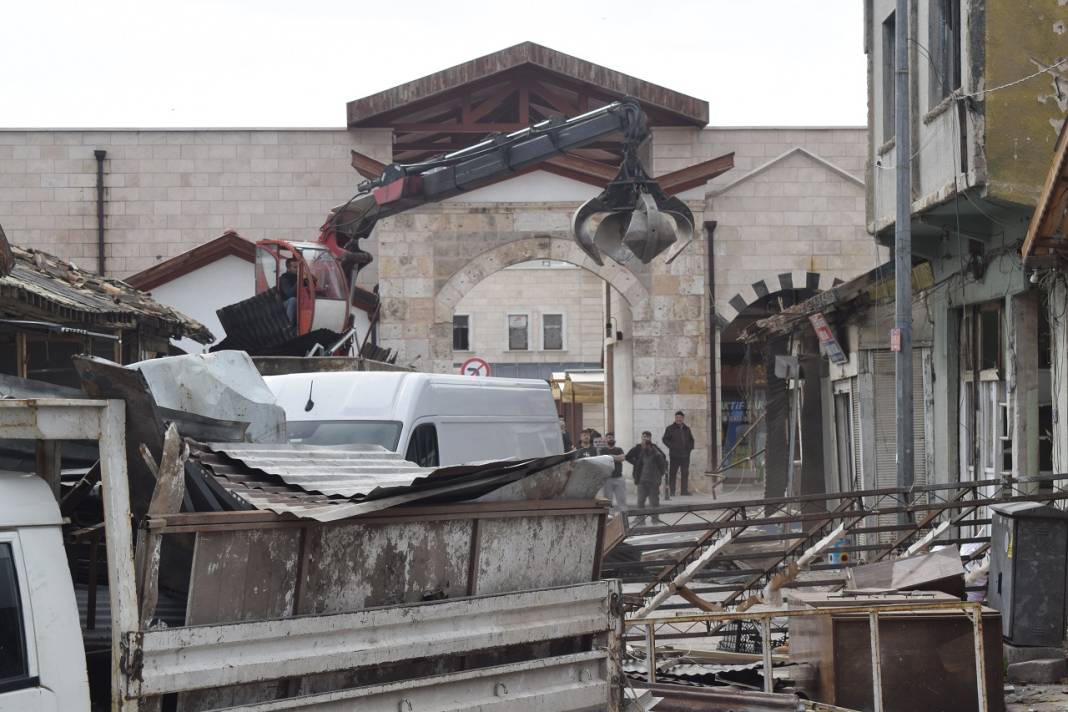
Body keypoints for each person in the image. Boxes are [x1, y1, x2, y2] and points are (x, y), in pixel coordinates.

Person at [625, 431, 667, 526]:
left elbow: (662, 462)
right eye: (644, 437)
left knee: (654, 501)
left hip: (653, 481)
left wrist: (658, 476)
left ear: (650, 439)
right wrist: (635, 463)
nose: (645, 439)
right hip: (642, 480)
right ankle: (640, 520)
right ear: (641, 438)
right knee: (640, 501)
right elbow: (628, 457)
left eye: (647, 437)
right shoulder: (638, 449)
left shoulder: (656, 450)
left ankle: (655, 519)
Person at [662, 410, 695, 498]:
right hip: (674, 455)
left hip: (685, 455)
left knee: (685, 473)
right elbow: (665, 439)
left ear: (683, 418)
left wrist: (689, 449)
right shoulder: (670, 428)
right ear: (675, 418)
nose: (678, 419)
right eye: (677, 417)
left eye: (680, 417)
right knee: (673, 473)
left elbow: (691, 440)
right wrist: (672, 446)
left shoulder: (687, 429)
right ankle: (672, 491)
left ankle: (684, 491)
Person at [600, 432, 627, 513]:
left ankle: (623, 518)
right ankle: (608, 518)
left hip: (619, 478)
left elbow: (622, 458)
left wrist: (610, 456)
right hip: (607, 479)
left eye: (612, 437)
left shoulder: (619, 449)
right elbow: (603, 460)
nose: (611, 439)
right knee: (608, 502)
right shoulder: (603, 450)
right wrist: (616, 457)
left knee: (622, 500)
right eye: (609, 437)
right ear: (605, 439)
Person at [279, 258, 299, 326]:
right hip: (285, 304)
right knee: (293, 300)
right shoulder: (284, 278)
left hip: (298, 302)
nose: (298, 269)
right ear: (288, 268)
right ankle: (288, 325)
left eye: (299, 267)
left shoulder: (298, 276)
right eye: (295, 267)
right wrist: (299, 281)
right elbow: (290, 294)